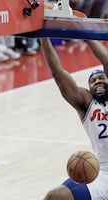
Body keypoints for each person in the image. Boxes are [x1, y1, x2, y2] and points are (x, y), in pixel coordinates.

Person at [40, 37, 108, 200]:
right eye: (93, 81)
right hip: (104, 173)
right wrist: (43, 38)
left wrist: (87, 36)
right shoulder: (87, 103)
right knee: (54, 196)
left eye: (101, 78)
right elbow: (59, 75)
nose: (97, 82)